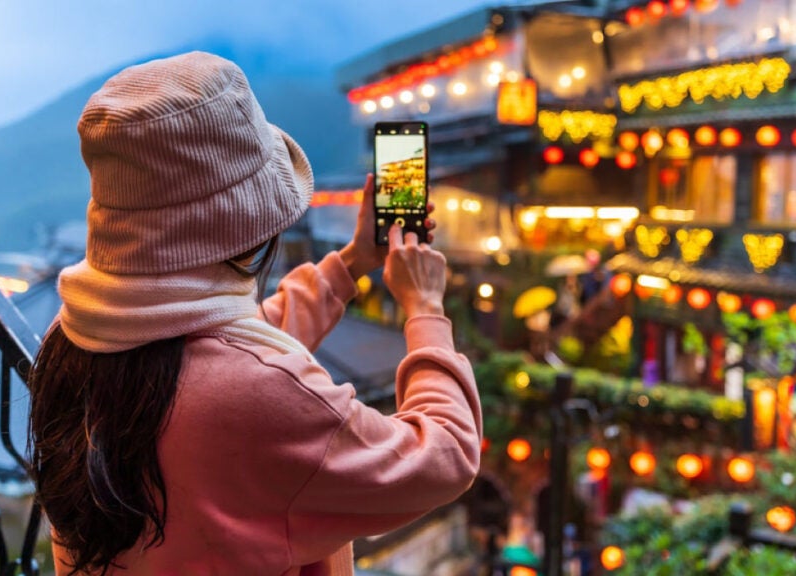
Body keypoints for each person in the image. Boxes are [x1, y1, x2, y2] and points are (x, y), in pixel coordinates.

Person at [27, 51, 482, 576]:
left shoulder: (71, 342)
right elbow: (444, 456)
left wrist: (352, 263)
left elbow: (221, 358)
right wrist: (424, 308)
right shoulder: (252, 395)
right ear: (246, 222)